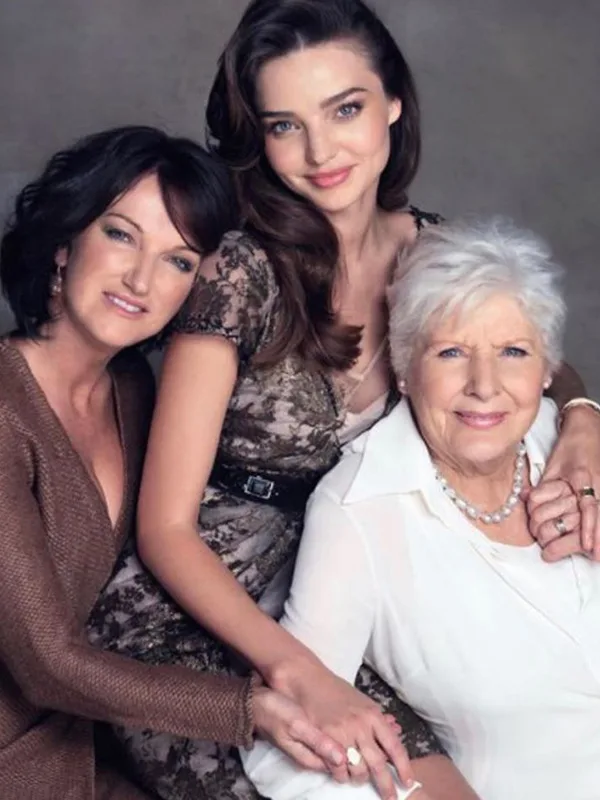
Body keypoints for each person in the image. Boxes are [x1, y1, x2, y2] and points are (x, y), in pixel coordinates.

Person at [88, 1, 600, 799]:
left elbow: (530, 352)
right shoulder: (240, 272)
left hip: (341, 597)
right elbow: (164, 529)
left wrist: (581, 419)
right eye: (286, 125)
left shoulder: (432, 251)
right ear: (258, 135)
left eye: (346, 110)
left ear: (394, 101)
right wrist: (303, 676)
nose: (321, 151)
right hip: (197, 615)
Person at [0, 125, 348, 800]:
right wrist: (249, 709)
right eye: (122, 235)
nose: (141, 279)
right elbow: (45, 662)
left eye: (179, 261)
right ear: (66, 243)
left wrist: (577, 411)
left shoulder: (133, 391)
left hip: (86, 742)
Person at [243, 218, 600, 800]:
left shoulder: (578, 450)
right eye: (452, 352)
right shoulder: (360, 509)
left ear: (547, 370)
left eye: (513, 351)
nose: (484, 385)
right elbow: (287, 743)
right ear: (406, 370)